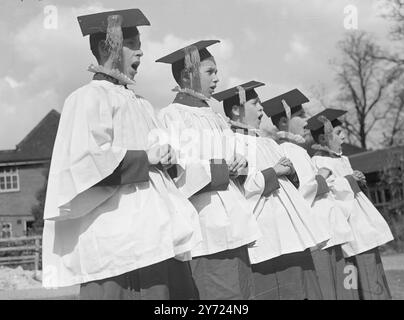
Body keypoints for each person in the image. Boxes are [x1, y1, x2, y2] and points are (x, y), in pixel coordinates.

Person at [41, 9, 202, 300]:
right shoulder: (86, 98)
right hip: (115, 239)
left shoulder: (141, 103)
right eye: (132, 42)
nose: (141, 51)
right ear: (107, 47)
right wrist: (144, 159)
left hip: (157, 232)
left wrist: (169, 156)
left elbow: (162, 155)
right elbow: (83, 163)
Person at [156, 41, 262, 300]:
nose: (217, 78)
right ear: (186, 74)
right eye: (210, 72)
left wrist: (239, 163)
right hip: (205, 225)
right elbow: (175, 173)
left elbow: (234, 159)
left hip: (234, 219)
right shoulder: (171, 116)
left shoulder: (215, 117)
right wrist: (220, 169)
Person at [213, 81, 328, 300]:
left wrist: (290, 172)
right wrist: (274, 172)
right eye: (255, 103)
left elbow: (293, 185)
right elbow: (241, 190)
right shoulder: (230, 142)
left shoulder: (269, 143)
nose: (261, 109)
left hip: (292, 233)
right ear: (236, 110)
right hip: (266, 235)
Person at [262, 89, 357, 299]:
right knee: (327, 292)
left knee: (345, 289)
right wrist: (322, 181)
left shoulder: (300, 149)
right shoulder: (285, 150)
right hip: (317, 234)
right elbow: (302, 192)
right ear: (284, 122)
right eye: (300, 116)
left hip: (330, 229)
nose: (307, 121)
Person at [307, 108, 394, 300]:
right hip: (347, 224)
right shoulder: (318, 161)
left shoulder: (343, 159)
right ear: (322, 139)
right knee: (352, 271)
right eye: (338, 133)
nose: (343, 136)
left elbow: (347, 184)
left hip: (360, 221)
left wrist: (357, 180)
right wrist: (349, 180)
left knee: (371, 267)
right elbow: (326, 189)